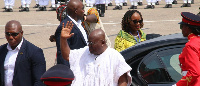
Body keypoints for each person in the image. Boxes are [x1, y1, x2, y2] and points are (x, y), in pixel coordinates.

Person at [60, 22, 132, 86]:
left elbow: (123, 81)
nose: (89, 45)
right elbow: (67, 56)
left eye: (92, 43)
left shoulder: (114, 56)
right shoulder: (84, 52)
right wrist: (63, 39)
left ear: (102, 42)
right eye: (89, 43)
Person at [0, 20, 46, 86]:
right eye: (8, 34)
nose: (10, 37)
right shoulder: (1, 51)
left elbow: (39, 81)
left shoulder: (34, 52)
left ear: (21, 33)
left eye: (14, 34)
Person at [55, 0, 88, 67]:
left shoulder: (79, 23)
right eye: (82, 9)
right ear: (76, 11)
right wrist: (67, 73)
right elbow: (62, 53)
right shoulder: (65, 26)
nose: (83, 11)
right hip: (73, 67)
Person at [175, 12, 200, 86]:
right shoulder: (197, 41)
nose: (181, 29)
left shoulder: (190, 45)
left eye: (182, 26)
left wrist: (178, 85)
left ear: (187, 28)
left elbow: (194, 72)